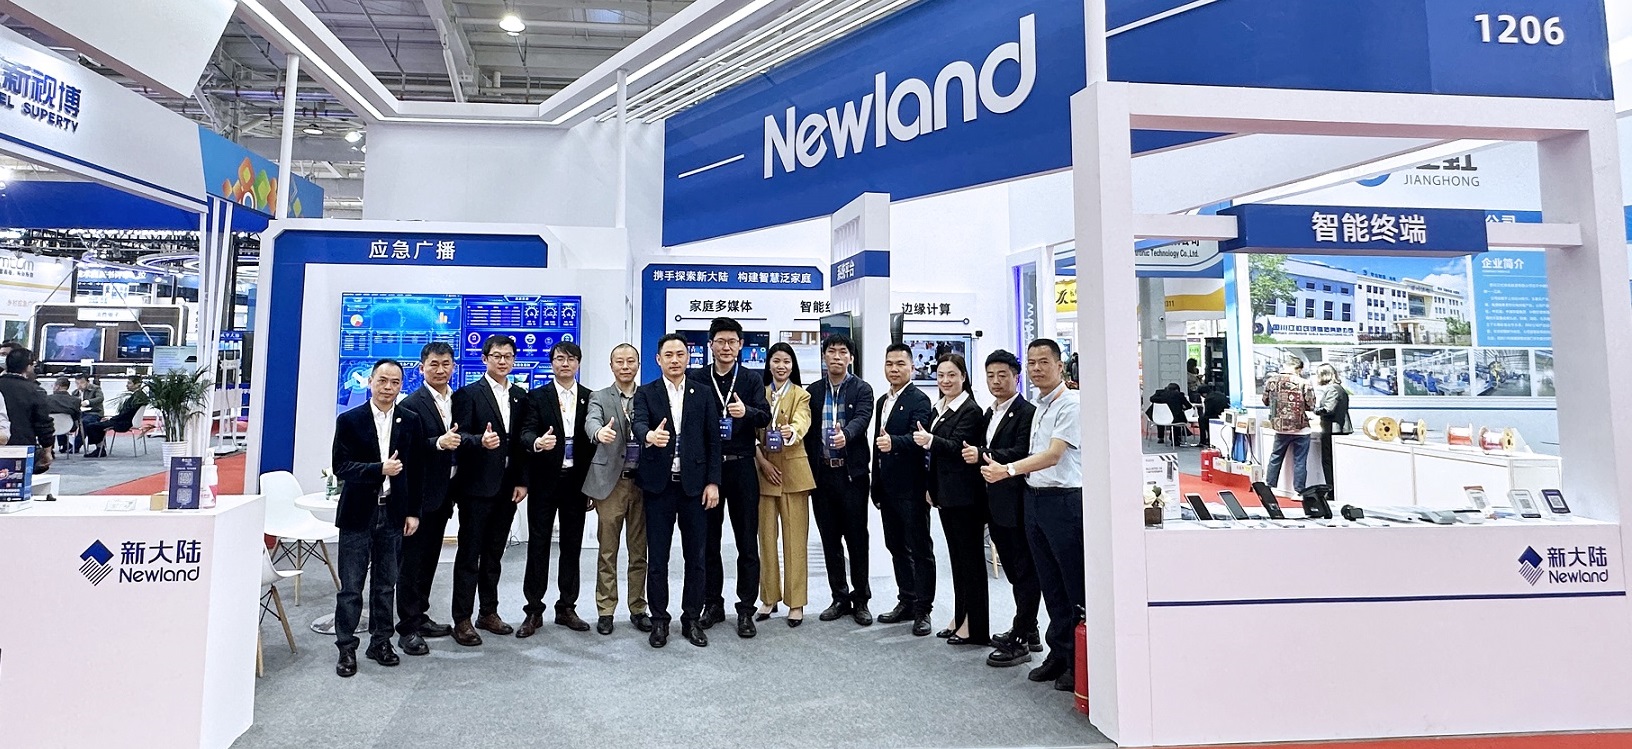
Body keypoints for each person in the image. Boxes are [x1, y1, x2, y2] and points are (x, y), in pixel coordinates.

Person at [980, 339, 1082, 693]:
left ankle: (1077, 662)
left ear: (1060, 366)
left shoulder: (1070, 404)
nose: (1037, 368)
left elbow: (1054, 455)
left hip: (1063, 502)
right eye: (1033, 362)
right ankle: (1058, 653)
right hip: (1034, 500)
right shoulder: (1039, 404)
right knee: (1049, 584)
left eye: (1044, 362)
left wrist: (1007, 469)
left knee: (1071, 586)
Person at [330, 358, 424, 677]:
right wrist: (379, 469)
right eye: (382, 380)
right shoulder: (350, 420)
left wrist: (413, 512)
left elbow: (415, 471)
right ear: (370, 382)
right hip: (358, 513)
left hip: (393, 513)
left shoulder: (409, 420)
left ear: (401, 386)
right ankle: (346, 647)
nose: (388, 387)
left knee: (385, 585)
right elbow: (341, 467)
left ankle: (381, 642)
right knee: (351, 587)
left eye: (395, 382)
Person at [632, 333, 722, 648]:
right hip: (659, 487)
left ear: (688, 358)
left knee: (695, 557)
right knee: (658, 558)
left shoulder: (703, 392)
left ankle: (691, 619)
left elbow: (713, 440)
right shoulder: (646, 393)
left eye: (680, 354)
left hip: (695, 488)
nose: (674, 360)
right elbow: (638, 424)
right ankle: (659, 621)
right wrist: (648, 436)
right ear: (658, 359)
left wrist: (713, 482)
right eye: (668, 355)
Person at [687, 317, 771, 638]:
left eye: (732, 342)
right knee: (708, 541)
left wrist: (746, 413)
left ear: (741, 345)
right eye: (720, 341)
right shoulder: (697, 378)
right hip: (709, 470)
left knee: (746, 541)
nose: (726, 347)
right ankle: (713, 603)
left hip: (742, 467)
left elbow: (764, 416)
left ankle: (746, 609)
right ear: (710, 345)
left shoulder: (751, 379)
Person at [448, 334, 529, 647]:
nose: (503, 361)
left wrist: (522, 480)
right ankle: (462, 619)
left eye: (508, 356)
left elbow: (521, 444)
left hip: (507, 488)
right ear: (485, 359)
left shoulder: (520, 396)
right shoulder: (468, 394)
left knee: (494, 554)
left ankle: (488, 612)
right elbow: (459, 437)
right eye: (497, 356)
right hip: (475, 487)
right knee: (470, 555)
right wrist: (479, 441)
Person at [516, 341, 597, 637]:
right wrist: (537, 443)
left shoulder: (590, 397)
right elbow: (525, 432)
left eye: (571, 359)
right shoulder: (537, 396)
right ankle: (533, 610)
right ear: (552, 363)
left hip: (576, 483)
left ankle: (566, 607)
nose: (565, 364)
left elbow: (593, 443)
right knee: (538, 546)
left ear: (578, 363)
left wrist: (592, 485)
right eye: (560, 358)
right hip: (545, 481)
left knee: (572, 546)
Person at [967, 350, 1041, 667]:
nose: (996, 381)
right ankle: (1030, 628)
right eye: (990, 376)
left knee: (1024, 571)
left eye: (1002, 375)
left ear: (1016, 377)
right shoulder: (990, 411)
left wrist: (983, 453)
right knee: (1014, 569)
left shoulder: (1026, 412)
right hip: (994, 503)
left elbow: (1021, 452)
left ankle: (1021, 637)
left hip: (1016, 503)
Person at [393, 342, 461, 655]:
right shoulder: (411, 404)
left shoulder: (456, 400)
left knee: (430, 560)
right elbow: (405, 450)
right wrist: (437, 443)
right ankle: (407, 628)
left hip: (443, 496)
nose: (440, 370)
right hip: (418, 498)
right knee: (411, 564)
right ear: (421, 368)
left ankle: (420, 616)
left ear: (453, 367)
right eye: (434, 364)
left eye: (446, 364)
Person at [916, 353, 988, 646]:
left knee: (970, 562)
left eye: (952, 375)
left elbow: (958, 447)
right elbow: (935, 458)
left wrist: (930, 440)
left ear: (963, 377)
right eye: (941, 375)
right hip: (946, 495)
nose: (945, 381)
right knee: (958, 561)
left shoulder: (970, 410)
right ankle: (961, 617)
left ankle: (975, 625)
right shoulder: (940, 407)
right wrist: (931, 487)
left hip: (965, 497)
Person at [582, 343, 653, 636]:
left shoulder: (649, 395)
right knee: (607, 551)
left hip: (643, 484)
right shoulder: (599, 397)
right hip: (611, 484)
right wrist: (599, 433)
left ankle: (638, 607)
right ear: (611, 366)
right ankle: (606, 609)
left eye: (630, 361)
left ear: (638, 364)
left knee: (639, 551)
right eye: (619, 362)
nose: (625, 366)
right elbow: (591, 422)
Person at [805, 333, 875, 626]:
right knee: (830, 539)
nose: (836, 356)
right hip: (822, 475)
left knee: (857, 539)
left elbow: (862, 418)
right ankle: (839, 597)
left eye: (842, 351)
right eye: (831, 351)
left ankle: (861, 600)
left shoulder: (862, 389)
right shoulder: (813, 391)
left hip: (851, 475)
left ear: (851, 358)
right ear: (824, 356)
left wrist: (846, 434)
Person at [872, 342, 934, 635]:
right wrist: (875, 484)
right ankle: (906, 600)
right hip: (887, 487)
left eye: (900, 364)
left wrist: (894, 443)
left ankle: (923, 610)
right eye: (889, 364)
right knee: (896, 546)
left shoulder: (920, 399)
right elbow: (876, 446)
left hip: (912, 488)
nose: (894, 369)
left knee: (920, 549)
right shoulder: (882, 401)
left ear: (912, 367)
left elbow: (919, 438)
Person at [753, 343, 814, 627]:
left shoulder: (801, 394)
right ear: (769, 364)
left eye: (786, 361)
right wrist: (762, 462)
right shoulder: (759, 393)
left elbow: (803, 421)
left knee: (795, 541)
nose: (781, 366)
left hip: (794, 475)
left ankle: (796, 602)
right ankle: (768, 598)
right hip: (765, 473)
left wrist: (792, 431)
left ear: (793, 366)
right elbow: (752, 433)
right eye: (776, 361)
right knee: (766, 540)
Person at [1261, 357, 1316, 494]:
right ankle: (1299, 491)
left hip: (1280, 427)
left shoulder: (1271, 381)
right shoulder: (1304, 383)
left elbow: (1265, 401)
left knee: (1275, 457)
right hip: (1301, 428)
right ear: (1299, 369)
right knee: (1300, 461)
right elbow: (1310, 405)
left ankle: (1270, 486)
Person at [0, 348, 53, 470]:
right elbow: (43, 424)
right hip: (21, 449)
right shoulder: (34, 390)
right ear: (28, 367)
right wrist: (47, 451)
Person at [82, 375, 145, 458]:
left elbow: (126, 414)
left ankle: (100, 449)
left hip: (123, 422)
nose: (127, 385)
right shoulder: (140, 396)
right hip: (126, 420)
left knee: (92, 426)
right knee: (98, 424)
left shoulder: (136, 398)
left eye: (129, 383)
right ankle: (100, 448)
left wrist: (112, 418)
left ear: (137, 384)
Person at [1312, 363, 1352, 491]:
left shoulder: (1332, 389)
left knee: (1328, 461)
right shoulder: (1338, 388)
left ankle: (1331, 490)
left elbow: (1328, 409)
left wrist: (1314, 409)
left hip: (1332, 429)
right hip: (1336, 428)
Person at [45, 377, 81, 453]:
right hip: (69, 426)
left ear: (57, 386)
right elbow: (77, 416)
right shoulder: (76, 400)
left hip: (50, 426)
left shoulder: (47, 399)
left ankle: (49, 449)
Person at [74, 374, 102, 453]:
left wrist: (88, 402)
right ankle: (64, 444)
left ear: (88, 382)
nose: (79, 385)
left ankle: (76, 445)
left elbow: (100, 398)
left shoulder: (95, 388)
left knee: (85, 423)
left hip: (94, 412)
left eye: (82, 383)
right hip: (80, 413)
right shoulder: (75, 393)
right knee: (63, 420)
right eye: (77, 383)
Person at [1197, 386, 1230, 450]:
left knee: (1201, 419)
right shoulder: (1220, 394)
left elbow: (1208, 412)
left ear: (1204, 394)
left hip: (1215, 416)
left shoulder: (1208, 399)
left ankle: (1203, 440)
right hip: (1225, 415)